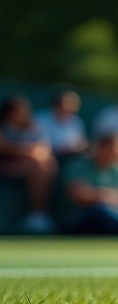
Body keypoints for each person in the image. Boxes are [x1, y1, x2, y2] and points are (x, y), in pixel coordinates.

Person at [0, 95, 57, 233]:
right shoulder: (2, 127)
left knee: (47, 164)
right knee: (38, 165)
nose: (21, 114)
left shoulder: (34, 127)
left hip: (26, 166)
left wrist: (25, 152)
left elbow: (44, 150)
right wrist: (28, 151)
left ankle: (37, 215)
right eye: (17, 111)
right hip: (4, 167)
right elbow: (5, 147)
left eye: (24, 111)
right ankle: (37, 213)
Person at [34, 90, 88, 158]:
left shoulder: (76, 122)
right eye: (68, 104)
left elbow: (82, 143)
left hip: (71, 158)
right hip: (47, 157)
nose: (71, 109)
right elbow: (38, 144)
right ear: (56, 105)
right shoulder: (40, 118)